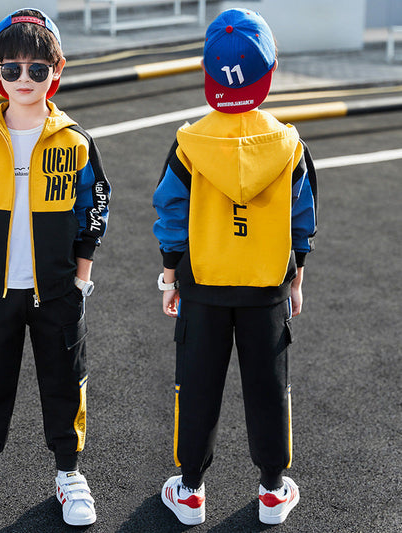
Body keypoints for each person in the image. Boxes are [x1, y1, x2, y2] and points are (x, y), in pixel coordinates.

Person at [0, 8, 110, 527]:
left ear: (56, 72)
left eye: (37, 69)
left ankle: (69, 472)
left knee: (65, 382)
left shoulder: (75, 142)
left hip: (58, 291)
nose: (24, 78)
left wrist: (81, 278)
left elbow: (94, 210)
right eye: (12, 68)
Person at [153, 8, 317, 526]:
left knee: (197, 386)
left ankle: (190, 490)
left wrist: (170, 276)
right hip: (266, 289)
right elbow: (302, 219)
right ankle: (272, 491)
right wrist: (296, 279)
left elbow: (171, 212)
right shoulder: (289, 145)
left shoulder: (190, 143)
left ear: (209, 74)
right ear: (269, 73)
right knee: (269, 388)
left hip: (203, 287)